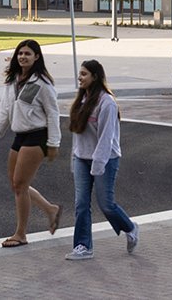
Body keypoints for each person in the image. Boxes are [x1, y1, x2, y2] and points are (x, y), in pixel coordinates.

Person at [0, 38, 62, 247]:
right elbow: (4, 112)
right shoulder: (12, 81)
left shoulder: (42, 84)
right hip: (20, 135)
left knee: (20, 185)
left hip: (37, 135)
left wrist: (54, 143)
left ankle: (21, 234)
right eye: (20, 53)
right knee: (16, 184)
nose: (23, 57)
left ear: (37, 57)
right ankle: (50, 209)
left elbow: (53, 114)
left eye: (28, 53)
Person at [64, 59, 138, 260]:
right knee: (81, 203)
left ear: (95, 77)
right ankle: (83, 246)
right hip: (82, 158)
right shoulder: (80, 101)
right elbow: (77, 135)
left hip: (106, 159)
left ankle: (130, 228)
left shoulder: (107, 103)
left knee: (106, 204)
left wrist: (97, 167)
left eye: (84, 74)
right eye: (80, 74)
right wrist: (74, 158)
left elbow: (106, 138)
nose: (80, 77)